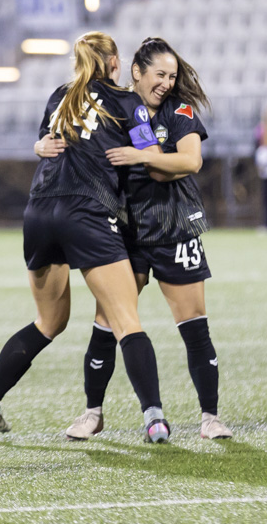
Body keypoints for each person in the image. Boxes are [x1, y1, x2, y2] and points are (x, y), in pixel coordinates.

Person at [0, 31, 172, 443]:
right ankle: (155, 419)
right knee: (125, 320)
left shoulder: (59, 96)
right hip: (86, 210)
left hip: (39, 211)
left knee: (49, 321)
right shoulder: (127, 101)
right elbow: (157, 164)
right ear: (114, 63)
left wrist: (36, 145)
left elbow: (46, 144)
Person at [45, 37, 232, 441]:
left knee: (194, 325)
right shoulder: (113, 105)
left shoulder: (179, 110)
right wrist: (40, 145)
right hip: (125, 228)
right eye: (160, 75)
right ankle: (92, 413)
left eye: (172, 76)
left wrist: (141, 156)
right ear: (136, 72)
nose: (167, 82)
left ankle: (210, 417)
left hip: (173, 225)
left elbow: (190, 161)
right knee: (106, 324)